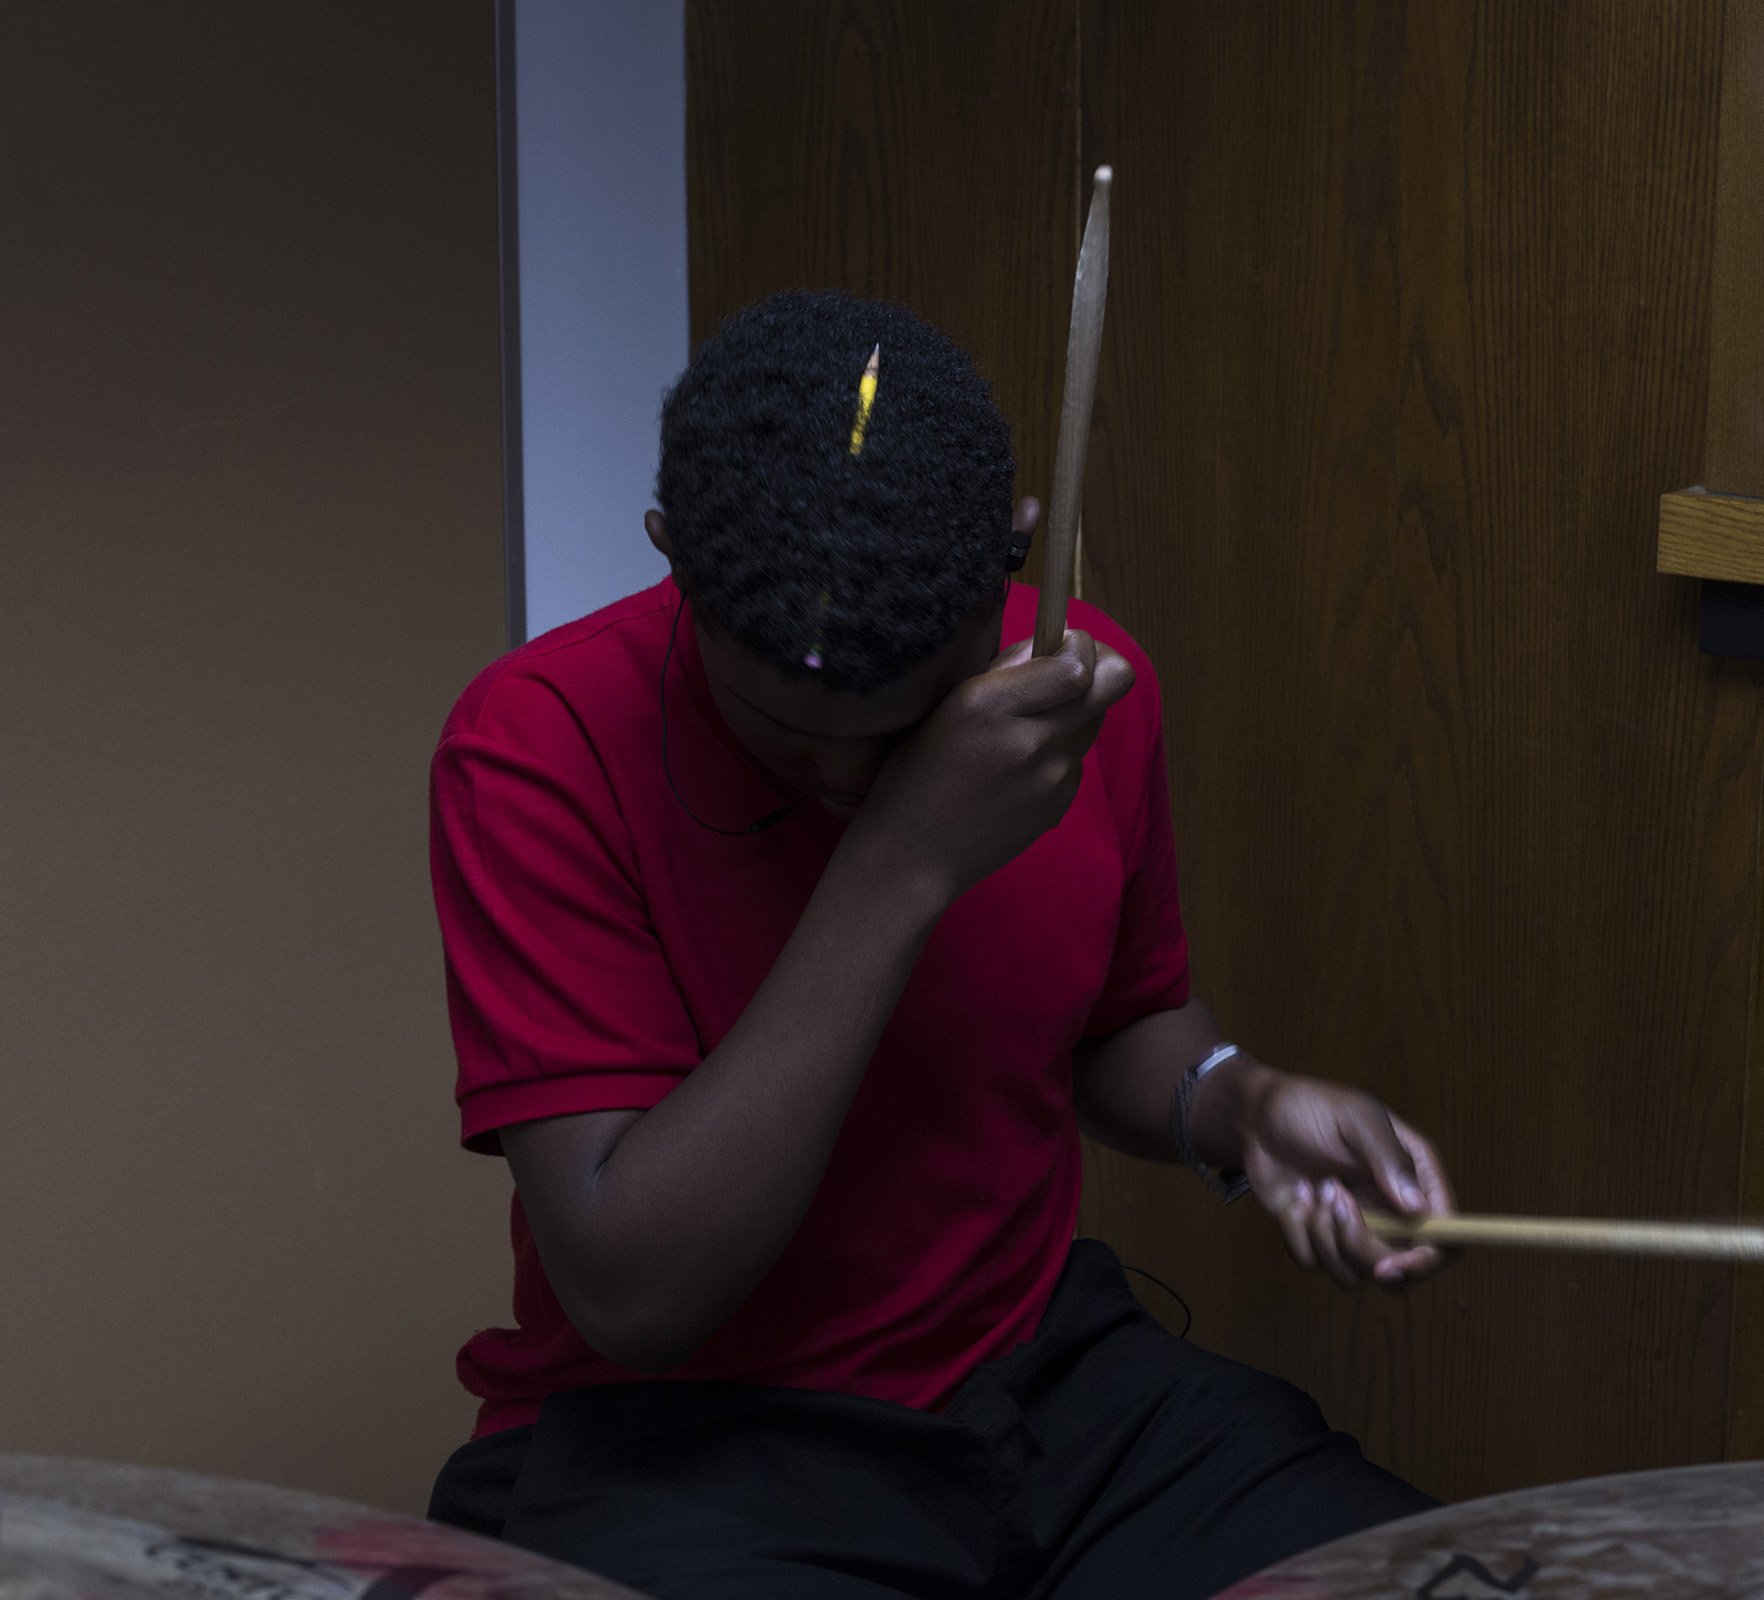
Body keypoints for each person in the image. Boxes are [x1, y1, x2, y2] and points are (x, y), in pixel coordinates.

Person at [423, 289, 1457, 1600]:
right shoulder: (536, 744)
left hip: (1040, 1380)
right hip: (694, 1441)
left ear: (1022, 555)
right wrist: (905, 859)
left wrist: (1241, 1103)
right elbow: (637, 1290)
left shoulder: (1081, 699)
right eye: (788, 728)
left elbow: (1119, 1028)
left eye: (903, 727)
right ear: (668, 552)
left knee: (1439, 1577)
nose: (843, 775)